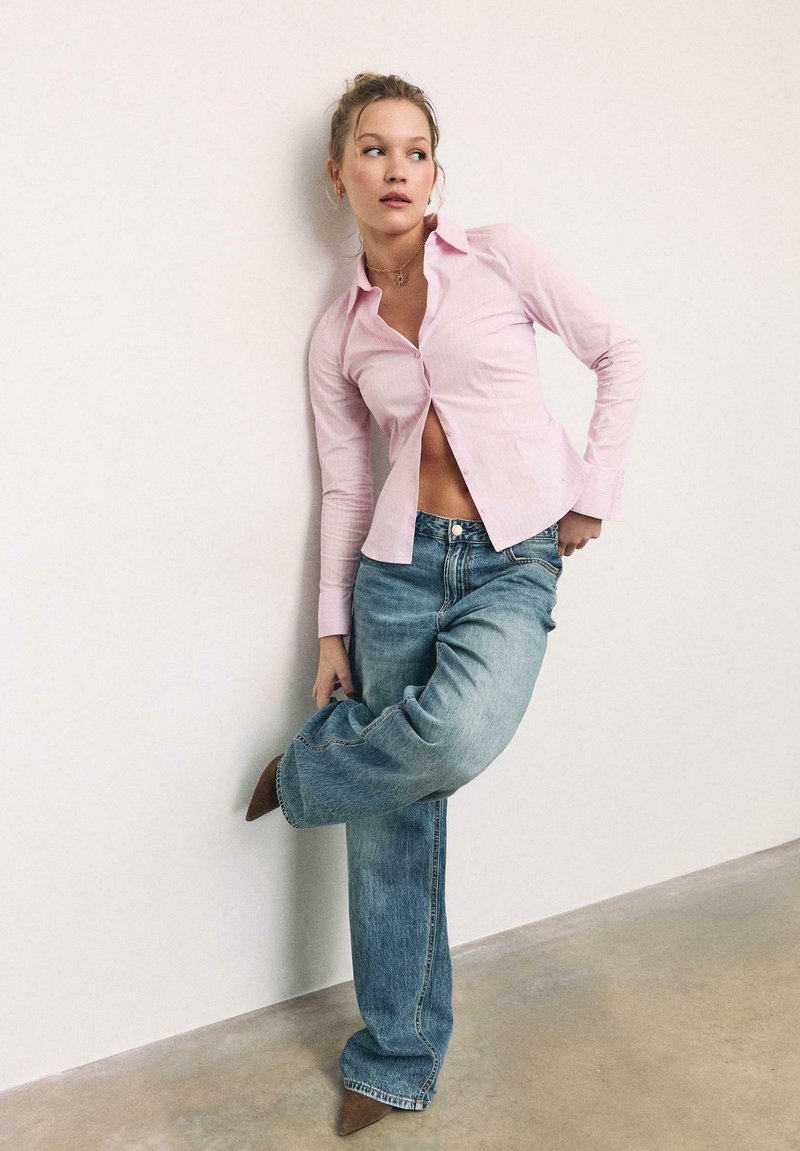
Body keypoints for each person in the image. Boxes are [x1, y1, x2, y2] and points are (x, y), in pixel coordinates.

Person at [246, 72, 645, 1136]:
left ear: (435, 173)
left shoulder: (500, 257)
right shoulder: (337, 334)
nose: (396, 169)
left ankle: (308, 770)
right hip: (396, 569)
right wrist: (331, 630)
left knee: (456, 735)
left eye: (415, 151)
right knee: (393, 829)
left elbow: (619, 350)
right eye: (373, 150)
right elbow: (344, 484)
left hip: (513, 561)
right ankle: (393, 1059)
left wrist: (591, 492)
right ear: (337, 174)